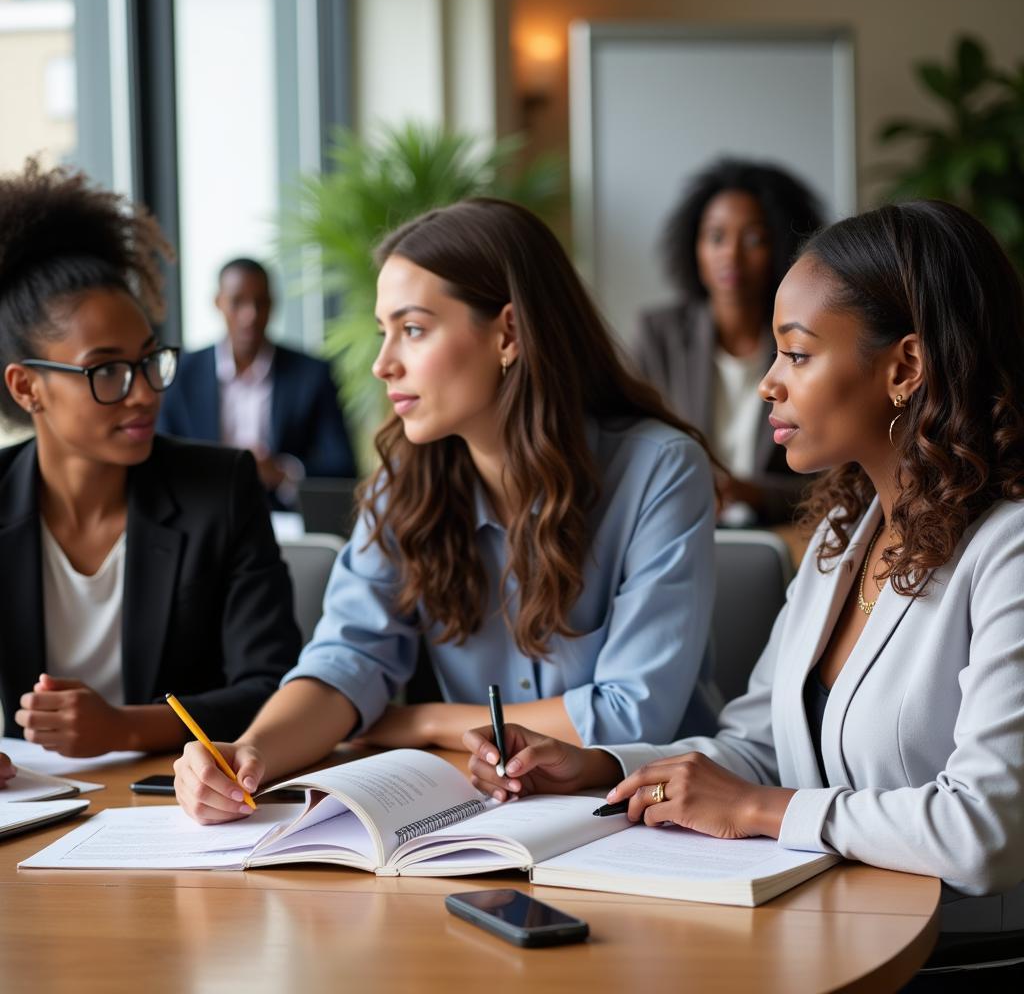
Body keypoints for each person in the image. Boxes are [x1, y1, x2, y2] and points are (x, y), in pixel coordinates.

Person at [467, 200, 1024, 977]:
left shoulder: (1009, 551)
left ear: (904, 368)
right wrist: (599, 765)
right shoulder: (846, 536)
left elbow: (988, 831)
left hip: (949, 955)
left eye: (796, 355)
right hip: (824, 930)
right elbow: (755, 747)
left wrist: (761, 811)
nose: (767, 384)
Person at [174, 197, 720, 823]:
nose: (383, 363)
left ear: (508, 333)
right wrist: (248, 752)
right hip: (500, 818)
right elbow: (347, 661)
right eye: (385, 331)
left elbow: (630, 713)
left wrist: (426, 719)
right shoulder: (406, 483)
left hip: (661, 821)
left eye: (412, 329)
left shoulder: (660, 469)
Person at [0, 160, 302, 758]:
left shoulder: (219, 488)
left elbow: (275, 687)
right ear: (26, 388)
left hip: (176, 804)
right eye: (106, 369)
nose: (143, 392)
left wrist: (126, 727)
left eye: (148, 360)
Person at [634, 158, 823, 525]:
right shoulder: (658, 336)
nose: (731, 255)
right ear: (695, 247)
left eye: (754, 239)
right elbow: (630, 452)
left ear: (783, 246)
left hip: (782, 535)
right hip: (678, 525)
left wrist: (754, 492)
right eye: (716, 237)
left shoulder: (807, 341)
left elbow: (835, 477)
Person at [157, 257, 356, 507]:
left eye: (260, 302)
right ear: (218, 303)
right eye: (237, 302)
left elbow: (343, 466)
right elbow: (160, 460)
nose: (250, 315)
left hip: (283, 519)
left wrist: (283, 472)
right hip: (199, 513)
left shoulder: (311, 374)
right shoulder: (182, 373)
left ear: (273, 305)